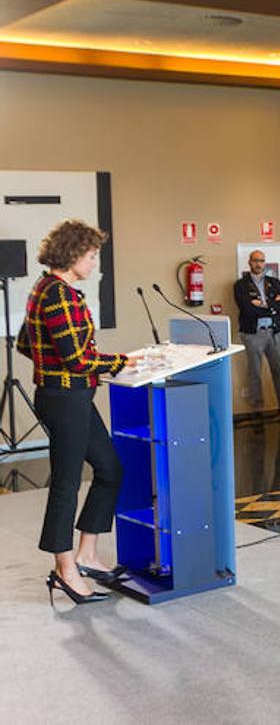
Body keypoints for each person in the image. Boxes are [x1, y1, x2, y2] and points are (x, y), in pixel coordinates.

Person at [18, 220, 140, 604]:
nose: (94, 264)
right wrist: (123, 361)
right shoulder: (59, 295)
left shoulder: (44, 288)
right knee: (67, 483)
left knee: (110, 469)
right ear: (72, 255)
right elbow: (77, 358)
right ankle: (65, 569)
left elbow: (26, 343)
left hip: (70, 396)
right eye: (91, 256)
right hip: (64, 400)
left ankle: (87, 554)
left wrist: (65, 368)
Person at [233, 248, 280, 418]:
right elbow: (247, 309)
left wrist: (264, 304)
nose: (258, 264)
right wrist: (273, 306)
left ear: (264, 263)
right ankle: (257, 410)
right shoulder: (240, 285)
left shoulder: (274, 282)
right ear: (250, 262)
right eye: (255, 260)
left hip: (274, 333)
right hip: (253, 334)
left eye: (261, 261)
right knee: (254, 373)